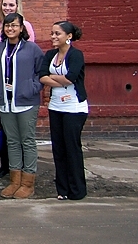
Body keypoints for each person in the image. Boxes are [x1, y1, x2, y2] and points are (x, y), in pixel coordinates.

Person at [0, 13, 44, 199]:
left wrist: (32, 87)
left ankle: (28, 183)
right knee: (12, 141)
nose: (10, 29)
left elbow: (42, 72)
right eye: (7, 25)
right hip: (5, 102)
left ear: (22, 28)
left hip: (26, 102)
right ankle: (15, 181)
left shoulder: (32, 49)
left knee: (27, 141)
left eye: (14, 25)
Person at [39, 21, 88, 200]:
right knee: (58, 148)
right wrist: (58, 79)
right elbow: (42, 76)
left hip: (74, 107)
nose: (53, 37)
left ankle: (77, 190)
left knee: (71, 147)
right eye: (52, 33)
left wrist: (53, 77)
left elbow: (71, 78)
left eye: (57, 34)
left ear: (69, 36)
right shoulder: (51, 54)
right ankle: (63, 190)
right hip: (55, 105)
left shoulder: (76, 55)